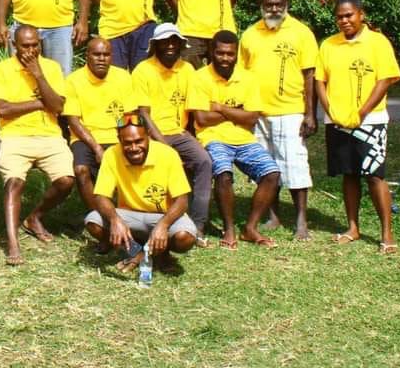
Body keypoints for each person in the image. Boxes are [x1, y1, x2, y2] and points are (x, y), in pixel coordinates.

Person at [315, 0, 400, 254]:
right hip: (338, 120)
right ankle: (353, 227)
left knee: (374, 175)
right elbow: (320, 80)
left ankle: (387, 233)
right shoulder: (329, 44)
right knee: (349, 174)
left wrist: (362, 112)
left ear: (361, 14)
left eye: (349, 15)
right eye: (339, 17)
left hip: (370, 121)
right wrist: (330, 110)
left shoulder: (377, 41)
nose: (344, 20)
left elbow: (385, 79)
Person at [0, 25, 75, 265]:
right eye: (25, 46)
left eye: (35, 45)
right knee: (14, 182)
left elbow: (58, 107)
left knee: (66, 180)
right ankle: (13, 244)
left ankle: (34, 217)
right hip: (15, 137)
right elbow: (3, 109)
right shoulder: (2, 69)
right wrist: (39, 104)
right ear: (15, 46)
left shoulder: (52, 68)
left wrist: (38, 75)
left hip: (49, 136)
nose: (31, 50)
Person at [189, 31, 281, 249]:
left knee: (272, 174)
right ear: (212, 52)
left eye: (230, 54)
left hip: (244, 138)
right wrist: (236, 111)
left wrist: (219, 107)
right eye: (220, 53)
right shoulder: (199, 77)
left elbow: (251, 118)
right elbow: (202, 118)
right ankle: (229, 228)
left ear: (236, 54)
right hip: (213, 138)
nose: (225, 58)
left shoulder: (248, 78)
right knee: (223, 173)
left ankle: (250, 228)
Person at [239, 0, 318, 239]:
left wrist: (310, 113)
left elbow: (310, 76)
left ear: (286, 5)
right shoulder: (250, 34)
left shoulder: (301, 33)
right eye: (269, 5)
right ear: (262, 6)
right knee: (266, 167)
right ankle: (272, 216)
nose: (274, 9)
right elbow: (241, 74)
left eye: (278, 4)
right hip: (259, 113)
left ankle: (301, 222)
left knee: (294, 166)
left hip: (290, 111)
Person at [131, 23, 213, 240]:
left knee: (204, 160)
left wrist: (192, 138)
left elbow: (194, 110)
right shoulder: (143, 70)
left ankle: (198, 225)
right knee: (164, 163)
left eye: (174, 41)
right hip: (151, 134)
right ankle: (150, 221)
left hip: (179, 133)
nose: (170, 46)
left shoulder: (187, 70)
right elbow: (143, 115)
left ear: (180, 45)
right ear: (155, 45)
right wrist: (167, 148)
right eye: (165, 41)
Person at [84, 118, 197, 273]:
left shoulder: (168, 154)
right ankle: (135, 252)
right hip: (129, 215)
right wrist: (115, 220)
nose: (134, 147)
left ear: (149, 135)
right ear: (119, 140)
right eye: (127, 143)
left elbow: (182, 201)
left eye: (139, 141)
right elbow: (101, 196)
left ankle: (160, 253)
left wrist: (163, 226)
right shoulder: (111, 154)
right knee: (93, 221)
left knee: (185, 238)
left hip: (163, 215)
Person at [64, 37, 136, 219]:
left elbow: (128, 115)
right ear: (87, 56)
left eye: (106, 54)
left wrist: (121, 142)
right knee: (81, 169)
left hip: (117, 136)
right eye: (97, 54)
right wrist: (97, 148)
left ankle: (128, 215)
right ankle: (101, 219)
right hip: (85, 137)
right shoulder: (73, 80)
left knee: (131, 162)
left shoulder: (123, 77)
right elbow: (73, 120)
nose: (102, 59)